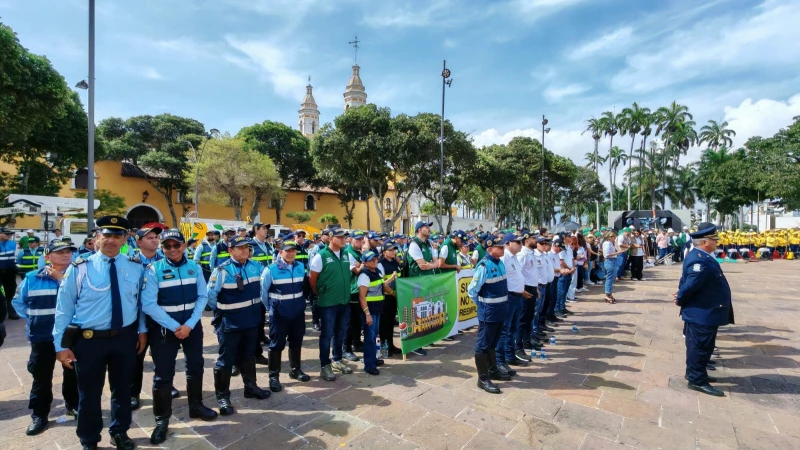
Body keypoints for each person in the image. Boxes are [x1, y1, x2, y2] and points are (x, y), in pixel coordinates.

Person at [52, 216, 148, 450]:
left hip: (125, 338)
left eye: (117, 236)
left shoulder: (136, 266)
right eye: (107, 235)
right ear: (97, 237)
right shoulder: (80, 268)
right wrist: (60, 346)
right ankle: (89, 438)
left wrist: (142, 331)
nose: (111, 240)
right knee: (89, 393)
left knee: (122, 390)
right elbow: (64, 309)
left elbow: (140, 304)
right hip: (89, 342)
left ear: (125, 239)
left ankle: (119, 432)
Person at [140, 230, 217, 444]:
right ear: (162, 248)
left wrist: (189, 325)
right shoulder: (153, 269)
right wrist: (176, 327)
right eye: (168, 246)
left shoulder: (194, 267)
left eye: (176, 245)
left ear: (183, 246)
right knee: (163, 375)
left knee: (196, 367)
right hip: (166, 330)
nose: (172, 249)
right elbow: (149, 304)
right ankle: (162, 420)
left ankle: (196, 406)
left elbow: (202, 296)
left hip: (191, 328)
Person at [12, 240, 79, 436]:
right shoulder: (32, 278)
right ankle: (39, 415)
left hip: (70, 336)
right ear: (47, 257)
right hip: (42, 335)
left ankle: (74, 406)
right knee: (41, 377)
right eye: (60, 252)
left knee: (73, 374)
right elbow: (19, 303)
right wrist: (34, 319)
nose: (65, 255)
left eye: (68, 252)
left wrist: (62, 279)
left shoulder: (78, 276)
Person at [207, 235, 271, 416]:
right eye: (240, 247)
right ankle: (222, 397)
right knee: (226, 361)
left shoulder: (256, 266)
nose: (245, 250)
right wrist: (223, 313)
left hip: (251, 322)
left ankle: (250, 387)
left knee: (248, 356)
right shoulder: (222, 271)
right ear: (230, 250)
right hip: (230, 324)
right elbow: (210, 297)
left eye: (247, 247)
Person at [675, 222, 734, 397]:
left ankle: (695, 373)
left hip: (705, 311)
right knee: (700, 347)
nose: (717, 242)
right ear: (705, 242)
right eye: (714, 239)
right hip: (702, 312)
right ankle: (697, 380)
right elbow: (690, 285)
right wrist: (680, 298)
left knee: (701, 346)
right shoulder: (699, 259)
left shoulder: (702, 256)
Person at [129, 226, 174, 411]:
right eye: (149, 238)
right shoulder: (130, 263)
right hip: (136, 318)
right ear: (138, 242)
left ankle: (166, 385)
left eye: (156, 237)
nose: (155, 240)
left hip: (160, 317)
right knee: (136, 358)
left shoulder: (165, 261)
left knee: (163, 355)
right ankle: (133, 393)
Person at [260, 239, 311, 393]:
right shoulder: (271, 270)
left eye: (293, 250)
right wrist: (272, 309)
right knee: (276, 345)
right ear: (280, 252)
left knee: (296, 342)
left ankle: (295, 370)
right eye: (287, 250)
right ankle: (274, 377)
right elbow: (263, 293)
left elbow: (304, 288)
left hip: (297, 314)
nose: (291, 253)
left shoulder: (300, 266)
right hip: (279, 315)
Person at [309, 228, 354, 381]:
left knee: (340, 332)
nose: (343, 240)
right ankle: (324, 365)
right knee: (327, 335)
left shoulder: (346, 254)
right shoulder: (321, 256)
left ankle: (337, 360)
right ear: (331, 238)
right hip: (328, 303)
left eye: (344, 237)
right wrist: (321, 292)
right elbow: (312, 279)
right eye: (339, 237)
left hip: (344, 301)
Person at [468, 236, 509, 394]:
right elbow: (472, 290)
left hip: (500, 310)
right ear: (490, 249)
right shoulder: (484, 266)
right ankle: (483, 379)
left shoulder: (500, 263)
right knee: (483, 345)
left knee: (493, 342)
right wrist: (482, 306)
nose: (503, 249)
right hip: (489, 312)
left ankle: (493, 371)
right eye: (500, 247)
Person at [356, 250, 396, 375]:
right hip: (370, 311)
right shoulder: (364, 275)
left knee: (374, 336)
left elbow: (382, 285)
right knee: (369, 338)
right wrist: (367, 314)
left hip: (378, 309)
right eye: (372, 260)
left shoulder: (377, 271)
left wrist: (393, 290)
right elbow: (362, 297)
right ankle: (369, 365)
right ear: (365, 263)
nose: (375, 261)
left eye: (376, 259)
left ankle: (372, 358)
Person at [405, 221, 440, 356]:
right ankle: (415, 344)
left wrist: (431, 265)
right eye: (426, 227)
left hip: (427, 282)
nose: (429, 229)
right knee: (417, 313)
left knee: (427, 311)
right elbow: (422, 265)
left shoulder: (429, 243)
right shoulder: (414, 244)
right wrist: (432, 264)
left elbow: (436, 262)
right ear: (419, 229)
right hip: (417, 283)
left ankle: (424, 338)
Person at [497, 234, 527, 375]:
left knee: (513, 328)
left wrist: (522, 290)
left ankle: (510, 355)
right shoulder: (504, 258)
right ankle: (500, 361)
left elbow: (515, 277)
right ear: (508, 243)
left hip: (517, 297)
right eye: (517, 242)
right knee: (504, 330)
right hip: (508, 297)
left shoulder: (514, 257)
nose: (521, 244)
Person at [250, 223, 273, 366]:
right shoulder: (250, 245)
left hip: (266, 285)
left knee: (261, 315)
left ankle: (261, 337)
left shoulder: (267, 245)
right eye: (263, 228)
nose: (266, 230)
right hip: (254, 286)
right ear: (256, 230)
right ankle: (255, 351)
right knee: (255, 318)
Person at [343, 231, 366, 361]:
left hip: (359, 290)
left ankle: (356, 343)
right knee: (350, 322)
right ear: (351, 240)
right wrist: (363, 262)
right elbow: (357, 270)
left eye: (361, 239)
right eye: (357, 240)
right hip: (352, 291)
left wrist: (361, 262)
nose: (360, 242)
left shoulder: (358, 252)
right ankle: (346, 349)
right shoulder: (348, 252)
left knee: (358, 320)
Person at [378, 242, 401, 356]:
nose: (393, 252)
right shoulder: (381, 264)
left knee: (391, 322)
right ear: (384, 252)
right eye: (390, 250)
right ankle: (384, 349)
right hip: (386, 298)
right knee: (384, 324)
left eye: (394, 250)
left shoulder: (395, 263)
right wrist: (393, 293)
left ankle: (391, 345)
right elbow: (382, 284)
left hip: (394, 297)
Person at [0, 228, 19, 320]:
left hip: (10, 271)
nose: (9, 235)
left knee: (11, 292)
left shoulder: (12, 244)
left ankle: (11, 311)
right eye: (6, 234)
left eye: (10, 234)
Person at [602, 230, 624, 304]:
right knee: (610, 278)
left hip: (613, 260)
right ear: (610, 237)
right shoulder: (607, 243)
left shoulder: (611, 243)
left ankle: (609, 293)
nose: (615, 239)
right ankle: (607, 294)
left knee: (612, 278)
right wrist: (618, 252)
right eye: (614, 237)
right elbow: (607, 254)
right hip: (609, 261)